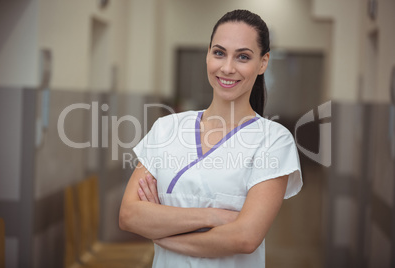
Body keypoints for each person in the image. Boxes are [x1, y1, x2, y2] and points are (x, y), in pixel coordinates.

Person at [119, 9, 303, 268]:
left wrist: (161, 232)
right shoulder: (166, 128)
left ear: (263, 63)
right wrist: (214, 216)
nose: (227, 68)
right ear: (207, 55)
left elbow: (245, 238)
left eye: (243, 56)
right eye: (219, 53)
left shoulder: (273, 140)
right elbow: (129, 215)